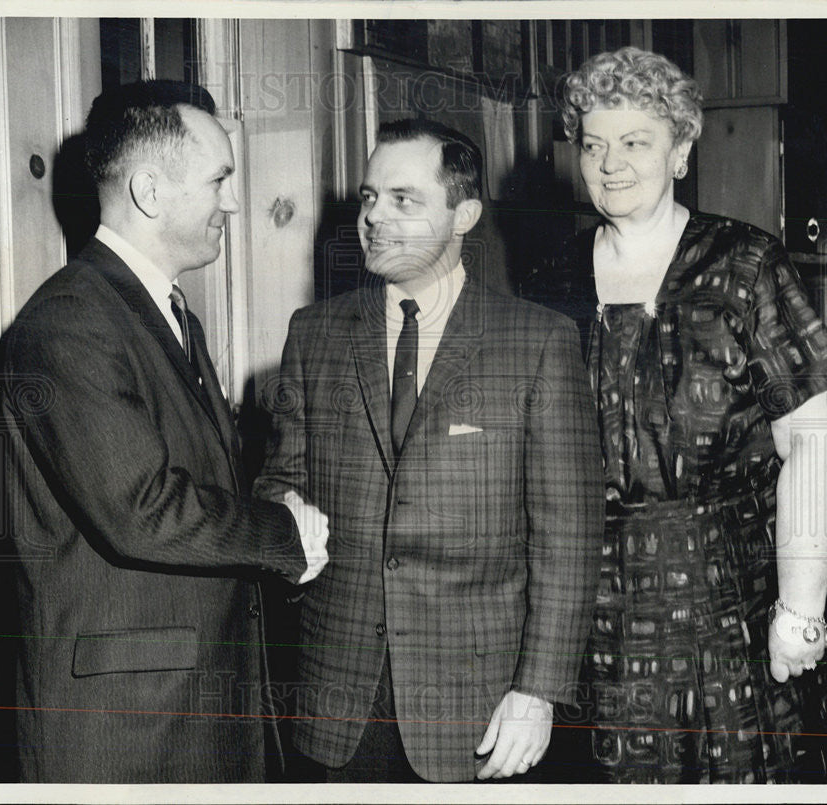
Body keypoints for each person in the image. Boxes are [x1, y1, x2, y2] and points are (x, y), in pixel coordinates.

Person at [0, 80, 328, 783]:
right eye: (219, 179)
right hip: (125, 731)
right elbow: (142, 508)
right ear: (150, 191)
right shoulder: (71, 321)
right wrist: (284, 534)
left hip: (187, 713)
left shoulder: (167, 316)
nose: (233, 200)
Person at [529, 47, 827, 783]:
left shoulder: (744, 264)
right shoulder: (551, 277)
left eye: (636, 141)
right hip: (589, 609)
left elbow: (814, 439)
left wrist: (800, 607)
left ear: (679, 150)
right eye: (593, 144)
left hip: (727, 596)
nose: (611, 163)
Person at [253, 118, 604, 783]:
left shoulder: (537, 342)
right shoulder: (315, 334)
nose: (374, 217)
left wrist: (539, 690)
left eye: (403, 199)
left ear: (463, 212)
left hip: (480, 702)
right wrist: (287, 519)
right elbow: (280, 479)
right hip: (339, 695)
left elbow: (570, 533)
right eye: (367, 197)